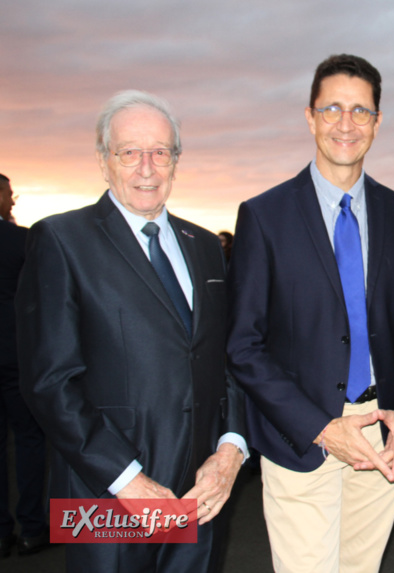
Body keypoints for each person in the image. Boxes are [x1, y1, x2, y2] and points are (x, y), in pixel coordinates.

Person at [16, 90, 247, 573]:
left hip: (199, 493)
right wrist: (127, 480)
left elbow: (227, 360)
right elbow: (50, 381)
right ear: (104, 160)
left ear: (176, 161)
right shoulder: (61, 240)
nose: (147, 167)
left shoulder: (205, 246)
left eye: (160, 152)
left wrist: (230, 450)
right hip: (106, 493)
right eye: (129, 152)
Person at [226, 54, 394, 573]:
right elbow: (244, 345)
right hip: (303, 436)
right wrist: (320, 427)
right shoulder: (264, 216)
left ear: (377, 122)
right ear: (310, 117)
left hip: (383, 434)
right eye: (332, 108)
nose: (345, 123)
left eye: (361, 111)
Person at [0, 175, 49, 558]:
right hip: (16, 355)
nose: (13, 202)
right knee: (30, 439)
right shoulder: (22, 240)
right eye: (8, 194)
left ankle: (1, 533)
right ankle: (33, 527)